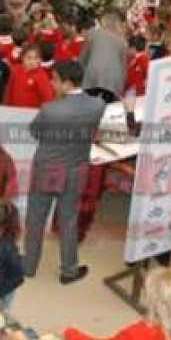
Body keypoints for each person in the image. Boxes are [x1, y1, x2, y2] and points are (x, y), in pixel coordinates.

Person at [23, 60, 106, 284]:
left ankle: (29, 266)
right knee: (69, 219)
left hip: (48, 168)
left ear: (67, 83)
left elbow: (34, 131)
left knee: (35, 218)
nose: (52, 82)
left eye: (55, 79)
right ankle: (69, 270)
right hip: (76, 169)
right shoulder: (97, 105)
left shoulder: (50, 109)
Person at [79, 10, 128, 104]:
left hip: (91, 80)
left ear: (104, 23)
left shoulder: (93, 34)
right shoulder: (122, 43)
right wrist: (120, 89)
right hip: (112, 83)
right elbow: (123, 69)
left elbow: (83, 58)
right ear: (117, 25)